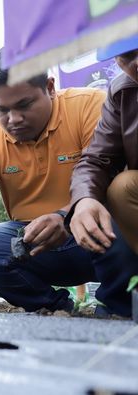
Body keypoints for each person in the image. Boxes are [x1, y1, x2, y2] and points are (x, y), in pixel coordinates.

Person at [0, 48, 131, 313]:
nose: (14, 119)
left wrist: (65, 216)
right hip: (35, 246)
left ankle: (117, 307)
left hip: (101, 230)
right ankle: (55, 309)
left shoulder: (91, 106)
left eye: (24, 105)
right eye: (1, 110)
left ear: (50, 87)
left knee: (121, 203)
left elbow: (108, 173)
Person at [68, 34, 138, 317]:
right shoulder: (122, 92)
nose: (136, 63)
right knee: (122, 188)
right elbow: (96, 159)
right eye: (126, 56)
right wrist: (83, 200)